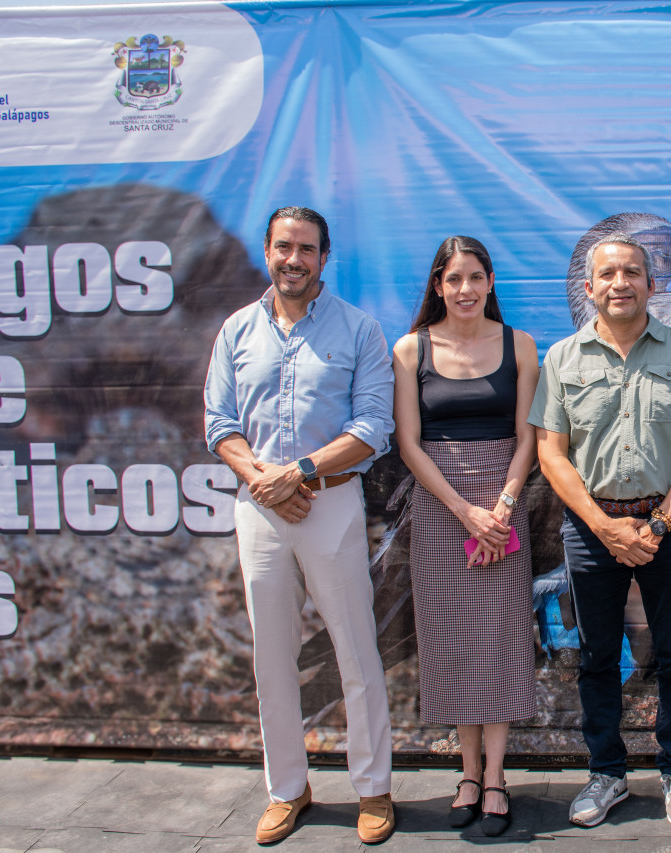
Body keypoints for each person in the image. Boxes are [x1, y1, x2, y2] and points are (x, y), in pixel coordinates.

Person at [203, 206, 395, 845]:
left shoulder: (360, 330)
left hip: (331, 504)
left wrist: (302, 472)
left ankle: (373, 789)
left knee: (357, 653)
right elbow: (219, 424)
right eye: (284, 247)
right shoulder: (236, 330)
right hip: (259, 508)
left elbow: (373, 426)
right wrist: (265, 479)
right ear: (268, 251)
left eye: (307, 249)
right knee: (271, 657)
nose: (294, 259)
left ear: (324, 257)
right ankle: (288, 789)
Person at [529, 234, 671, 829]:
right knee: (595, 657)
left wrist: (660, 521)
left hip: (670, 523)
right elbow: (551, 455)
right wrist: (603, 526)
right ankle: (606, 772)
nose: (621, 283)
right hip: (592, 529)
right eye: (608, 274)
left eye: (632, 272)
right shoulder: (562, 358)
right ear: (589, 288)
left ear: (651, 283)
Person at [391, 236, 539, 836]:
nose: (466, 290)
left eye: (476, 277)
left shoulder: (521, 345)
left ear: (491, 281)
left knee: (500, 639)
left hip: (505, 505)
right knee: (451, 639)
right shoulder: (409, 350)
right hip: (439, 510)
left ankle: (498, 777)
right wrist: (463, 512)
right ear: (437, 286)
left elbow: (530, 436)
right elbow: (408, 443)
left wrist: (499, 509)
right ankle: (468, 772)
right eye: (454, 279)